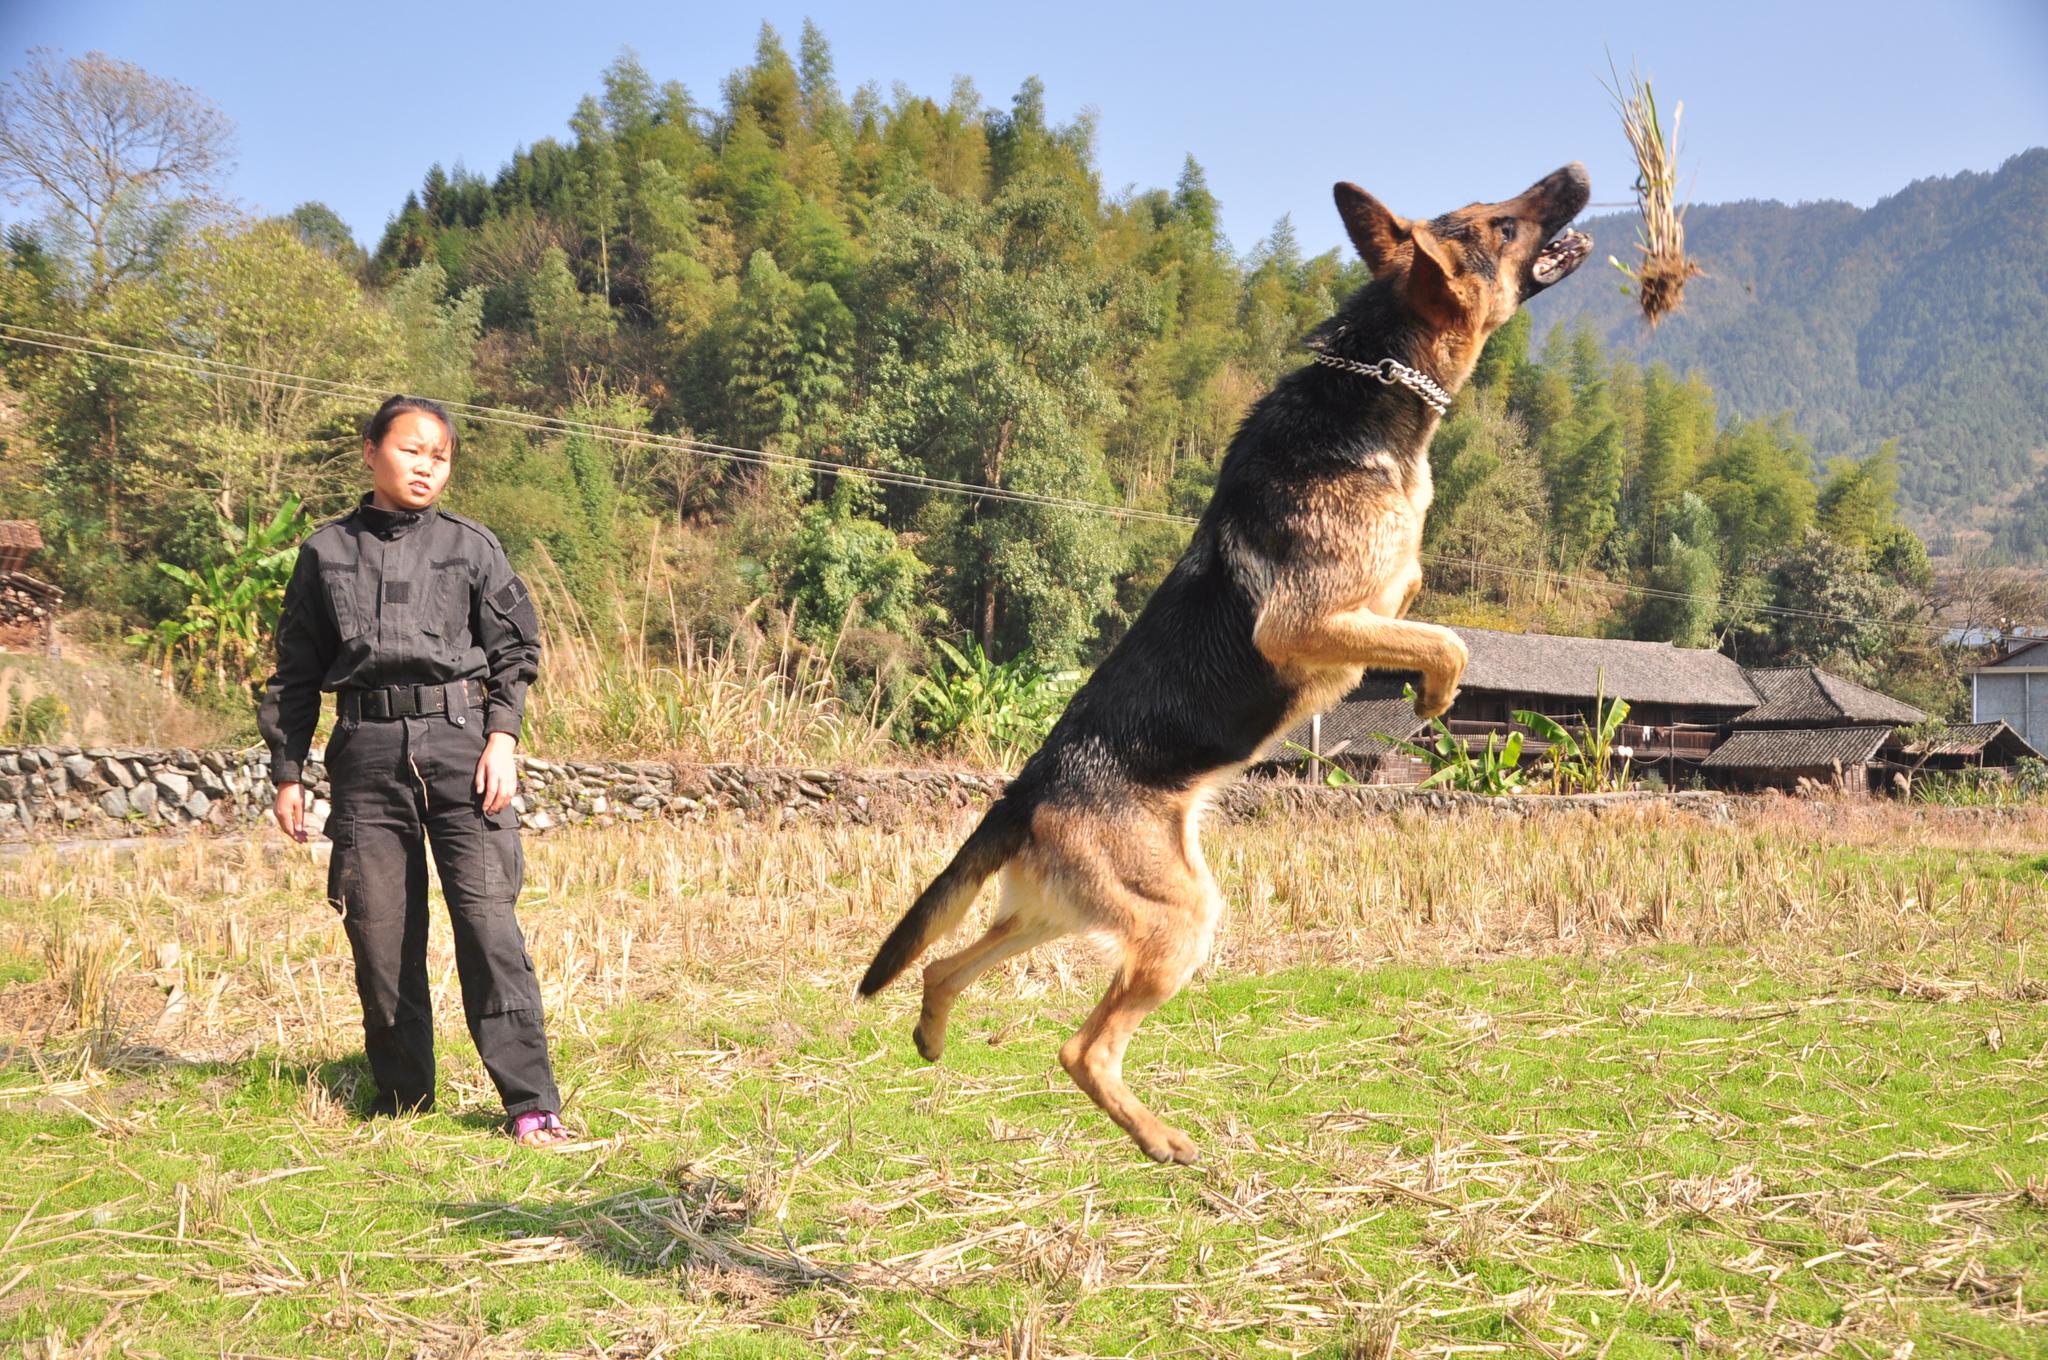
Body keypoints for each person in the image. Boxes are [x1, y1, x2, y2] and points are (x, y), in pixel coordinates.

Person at [258, 395, 576, 1149]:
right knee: (378, 928)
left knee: (489, 922)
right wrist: (287, 770)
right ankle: (402, 1098)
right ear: (370, 451)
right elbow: (295, 671)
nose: (426, 464)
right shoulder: (324, 552)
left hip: (463, 747)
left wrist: (503, 738)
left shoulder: (472, 547)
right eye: (411, 449)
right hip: (364, 752)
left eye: (440, 454)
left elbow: (515, 653)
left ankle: (530, 1103)